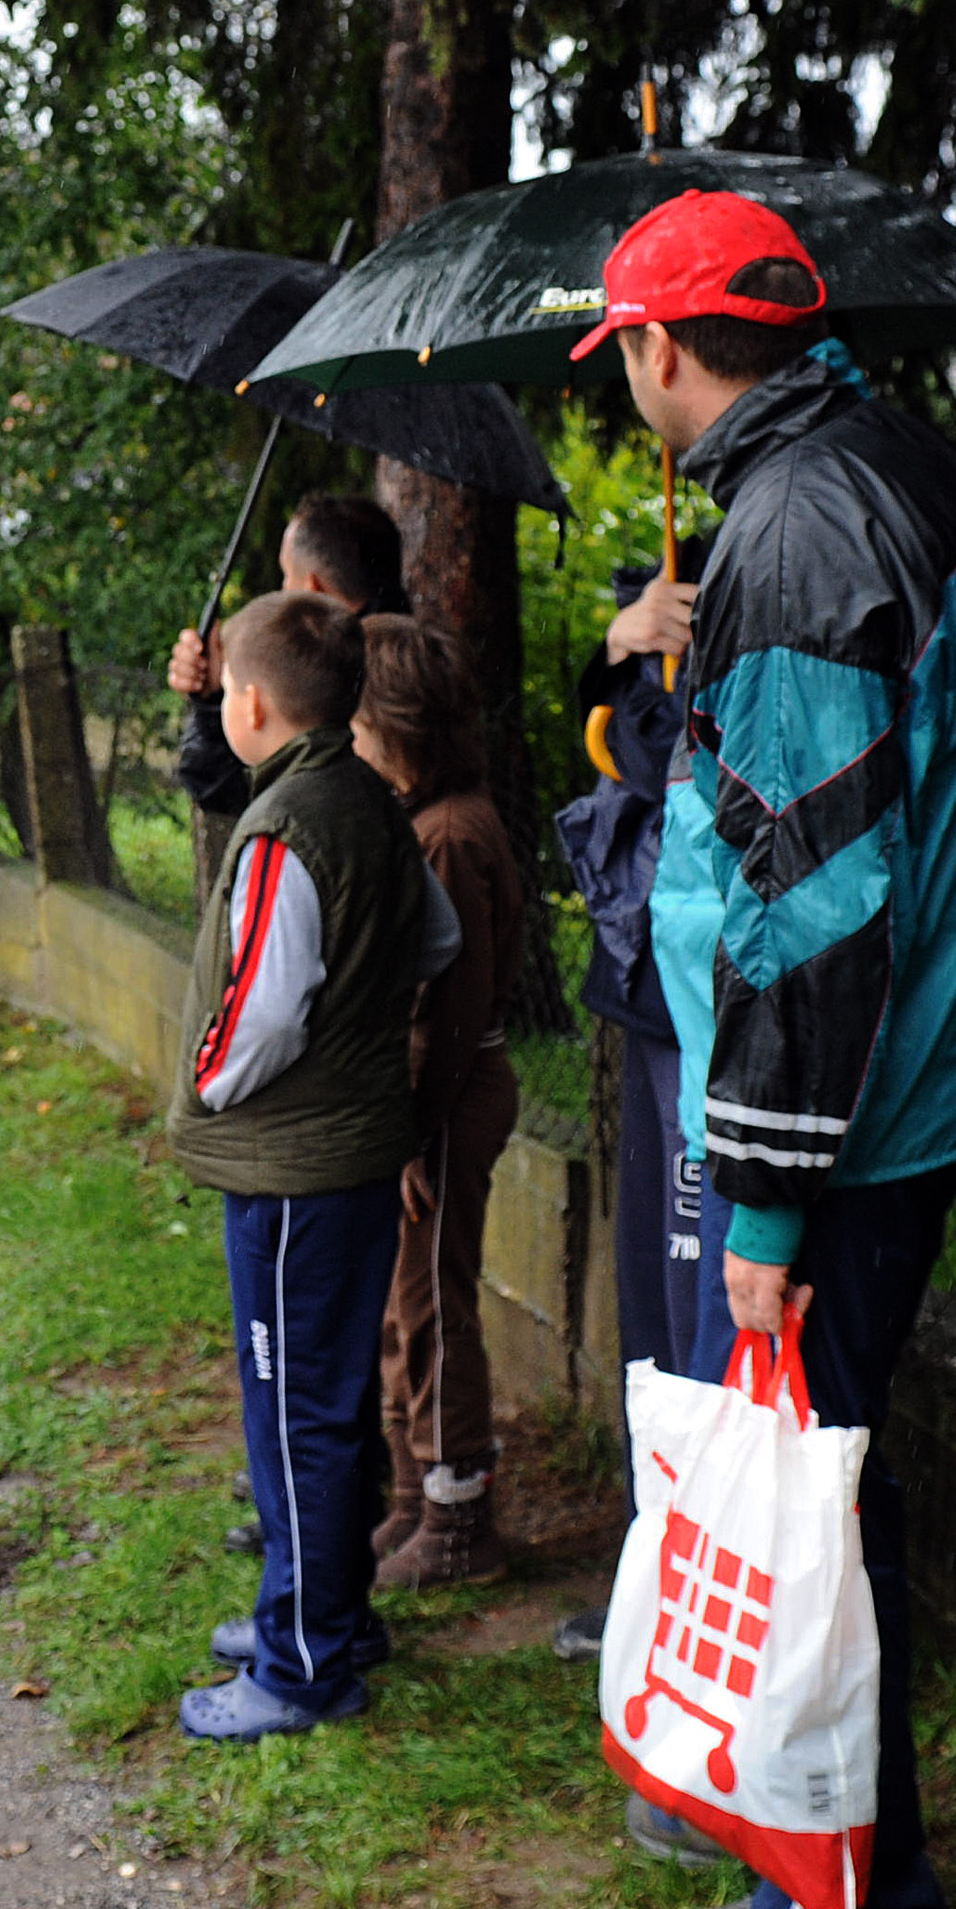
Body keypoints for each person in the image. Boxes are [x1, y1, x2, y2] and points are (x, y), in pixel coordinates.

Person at [571, 189, 956, 1909]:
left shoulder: (794, 523)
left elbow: (808, 902)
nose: (627, 381)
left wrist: (763, 1196)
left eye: (623, 357)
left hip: (851, 1120)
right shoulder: (901, 468)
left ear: (663, 349)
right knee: (832, 1502)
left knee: (812, 1522)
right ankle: (824, 1892)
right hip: (927, 1078)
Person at [166, 589, 449, 1742]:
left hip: (293, 1169)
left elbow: (262, 1012)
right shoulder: (367, 799)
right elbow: (435, 940)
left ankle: (299, 1663)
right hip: (346, 1153)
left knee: (293, 1413)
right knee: (323, 1400)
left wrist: (203, 1078)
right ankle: (332, 1612)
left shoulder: (290, 825)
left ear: (248, 703)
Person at [547, 538, 709, 1662]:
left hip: (709, 1025)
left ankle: (698, 1597)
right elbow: (617, 753)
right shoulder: (649, 634)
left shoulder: (766, 627)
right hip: (648, 1001)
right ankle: (653, 1567)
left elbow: (664, 772)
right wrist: (617, 645)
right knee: (648, 1311)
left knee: (695, 1317)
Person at [353, 616, 525, 1591]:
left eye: (359, 729)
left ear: (399, 727)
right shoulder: (421, 819)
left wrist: (414, 1133)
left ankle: (461, 1516)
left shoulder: (451, 834)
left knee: (430, 1305)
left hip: (448, 1102)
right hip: (420, 1102)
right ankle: (414, 1490)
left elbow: (448, 1010)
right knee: (399, 1298)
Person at [166, 492, 409, 817]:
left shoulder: (336, 680)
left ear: (313, 590)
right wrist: (213, 694)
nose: (281, 590)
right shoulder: (410, 657)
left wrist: (215, 705)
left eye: (285, 574)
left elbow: (236, 791)